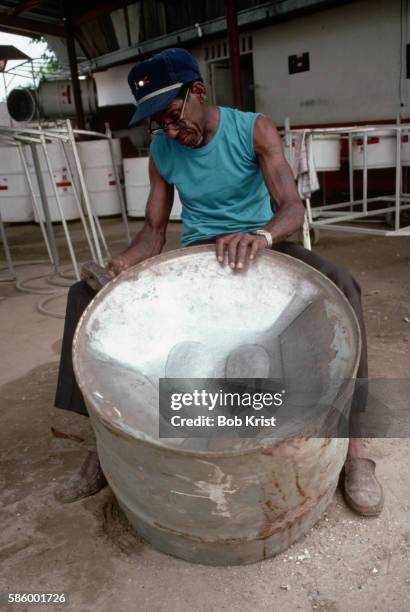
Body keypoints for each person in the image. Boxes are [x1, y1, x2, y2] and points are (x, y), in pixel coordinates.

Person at [54, 48, 383, 516]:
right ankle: (107, 447)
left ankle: (357, 452)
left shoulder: (253, 129)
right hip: (198, 260)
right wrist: (121, 263)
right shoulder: (163, 151)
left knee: (343, 285)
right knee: (83, 296)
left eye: (172, 116)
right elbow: (153, 232)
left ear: (198, 92)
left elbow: (291, 205)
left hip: (260, 248)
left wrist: (262, 235)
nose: (170, 131)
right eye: (159, 125)